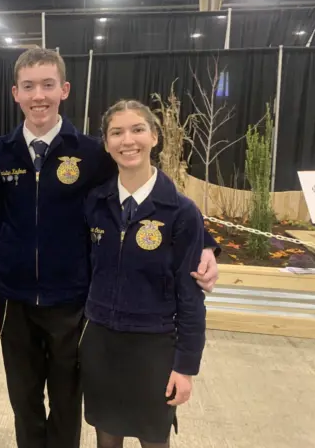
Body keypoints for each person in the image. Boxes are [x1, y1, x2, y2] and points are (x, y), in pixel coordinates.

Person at [0, 47, 219, 448]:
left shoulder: (91, 151)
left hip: (71, 298)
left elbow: (147, 195)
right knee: (23, 400)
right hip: (14, 298)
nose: (38, 95)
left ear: (65, 89)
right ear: (15, 93)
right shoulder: (0, 151)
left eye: (47, 85)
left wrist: (208, 245)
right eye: (29, 86)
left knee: (67, 398)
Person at [80, 99, 207, 448]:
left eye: (137, 129)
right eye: (116, 133)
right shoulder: (95, 203)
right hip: (101, 344)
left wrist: (186, 367)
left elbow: (192, 297)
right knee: (106, 438)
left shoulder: (181, 213)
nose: (128, 140)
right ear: (106, 144)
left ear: (155, 136)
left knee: (154, 438)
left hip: (154, 347)